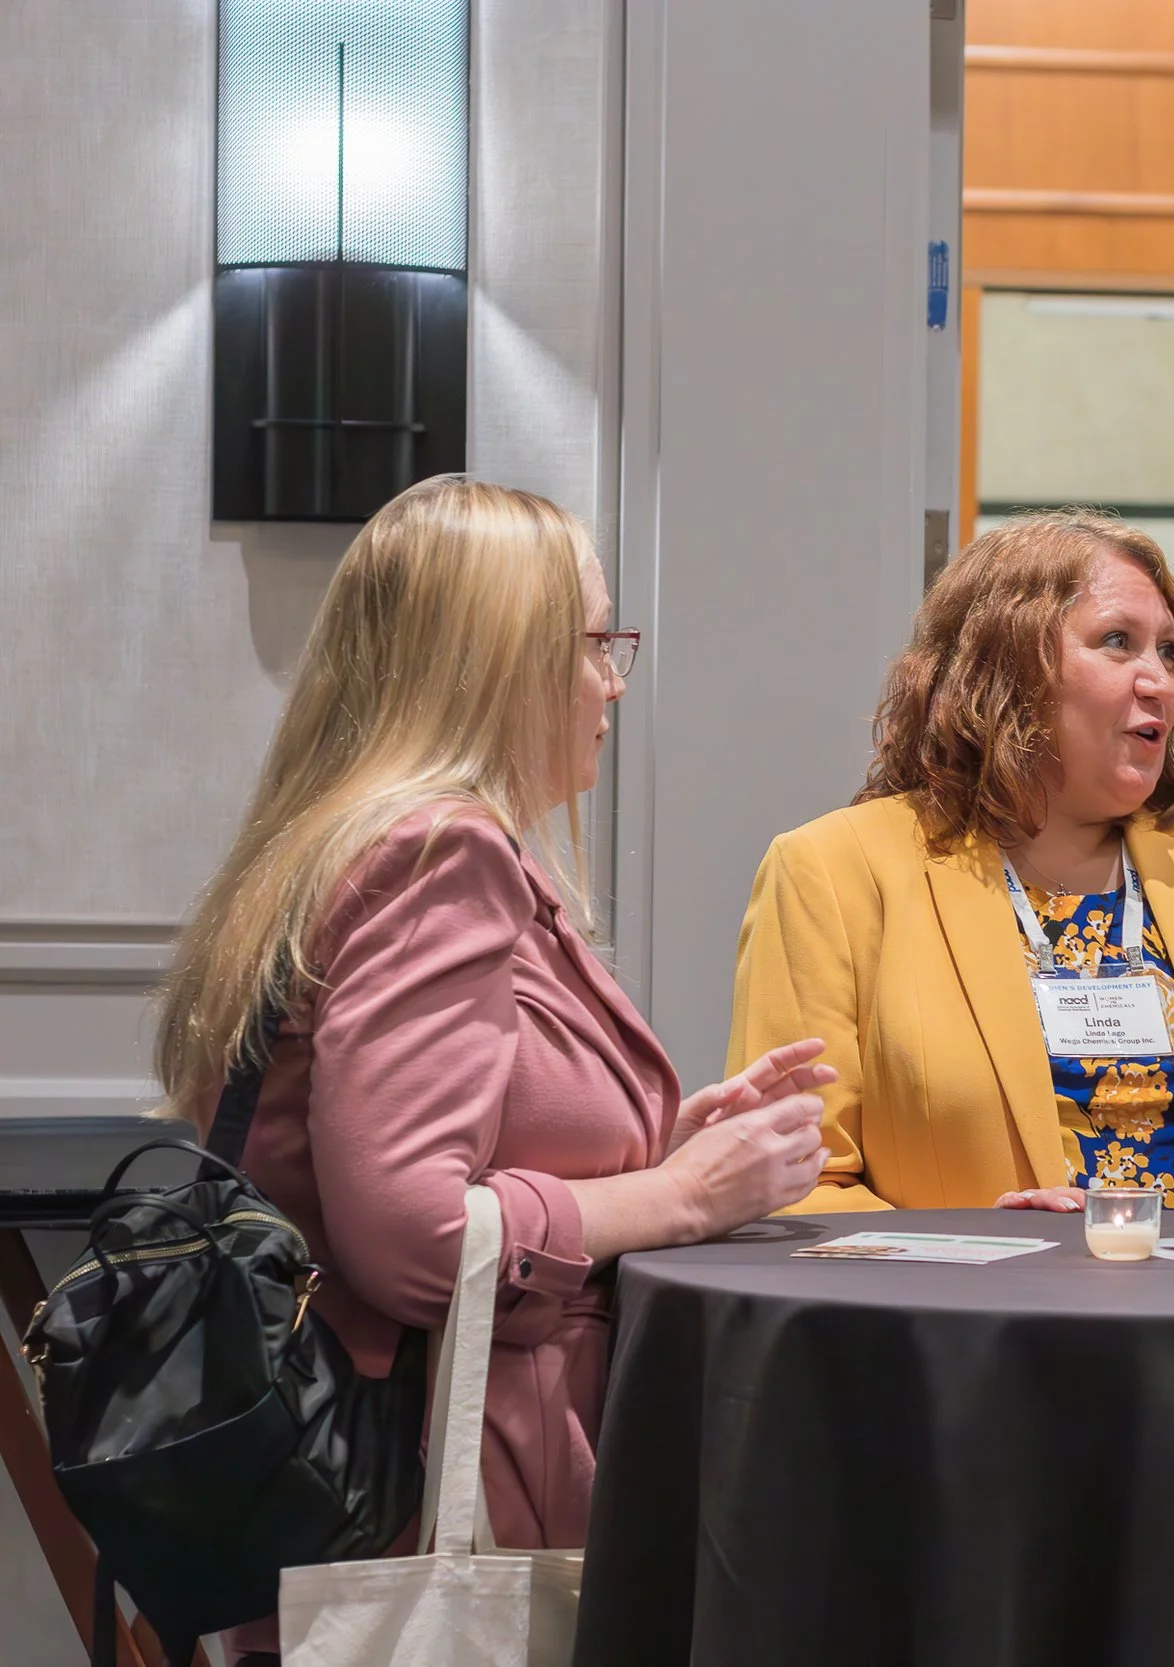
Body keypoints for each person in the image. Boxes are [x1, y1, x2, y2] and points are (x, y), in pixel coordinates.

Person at [154, 477, 834, 1663]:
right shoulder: (441, 851)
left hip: (381, 1471)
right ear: (497, 659)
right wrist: (680, 1195)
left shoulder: (351, 836)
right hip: (452, 1481)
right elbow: (417, 1234)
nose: (614, 682)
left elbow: (458, 1140)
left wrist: (662, 1148)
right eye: (594, 643)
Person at [727, 510, 1174, 1218]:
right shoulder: (834, 872)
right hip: (967, 1293)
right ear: (1005, 666)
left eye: (1169, 651)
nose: (1160, 682)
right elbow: (786, 1180)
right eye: (1118, 642)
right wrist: (973, 1252)